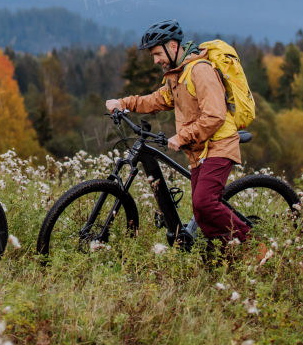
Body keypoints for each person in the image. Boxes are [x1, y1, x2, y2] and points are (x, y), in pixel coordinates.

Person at [105, 20, 251, 248]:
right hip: (199, 150)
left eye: (156, 53)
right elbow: (159, 99)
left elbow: (215, 116)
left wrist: (181, 137)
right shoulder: (178, 74)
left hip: (219, 145)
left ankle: (254, 246)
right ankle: (226, 255)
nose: (155, 60)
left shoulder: (200, 71)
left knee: (205, 204)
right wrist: (123, 103)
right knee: (202, 214)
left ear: (173, 46)